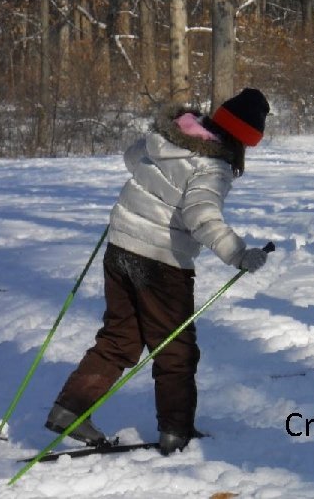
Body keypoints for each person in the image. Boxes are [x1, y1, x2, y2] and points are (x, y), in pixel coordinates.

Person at [45, 88, 272, 455]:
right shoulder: (211, 166)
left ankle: (69, 409)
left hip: (120, 249)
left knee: (119, 339)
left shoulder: (173, 135)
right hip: (160, 263)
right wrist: (239, 254)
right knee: (176, 350)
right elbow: (201, 217)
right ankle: (176, 432)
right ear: (244, 139)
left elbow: (133, 157)